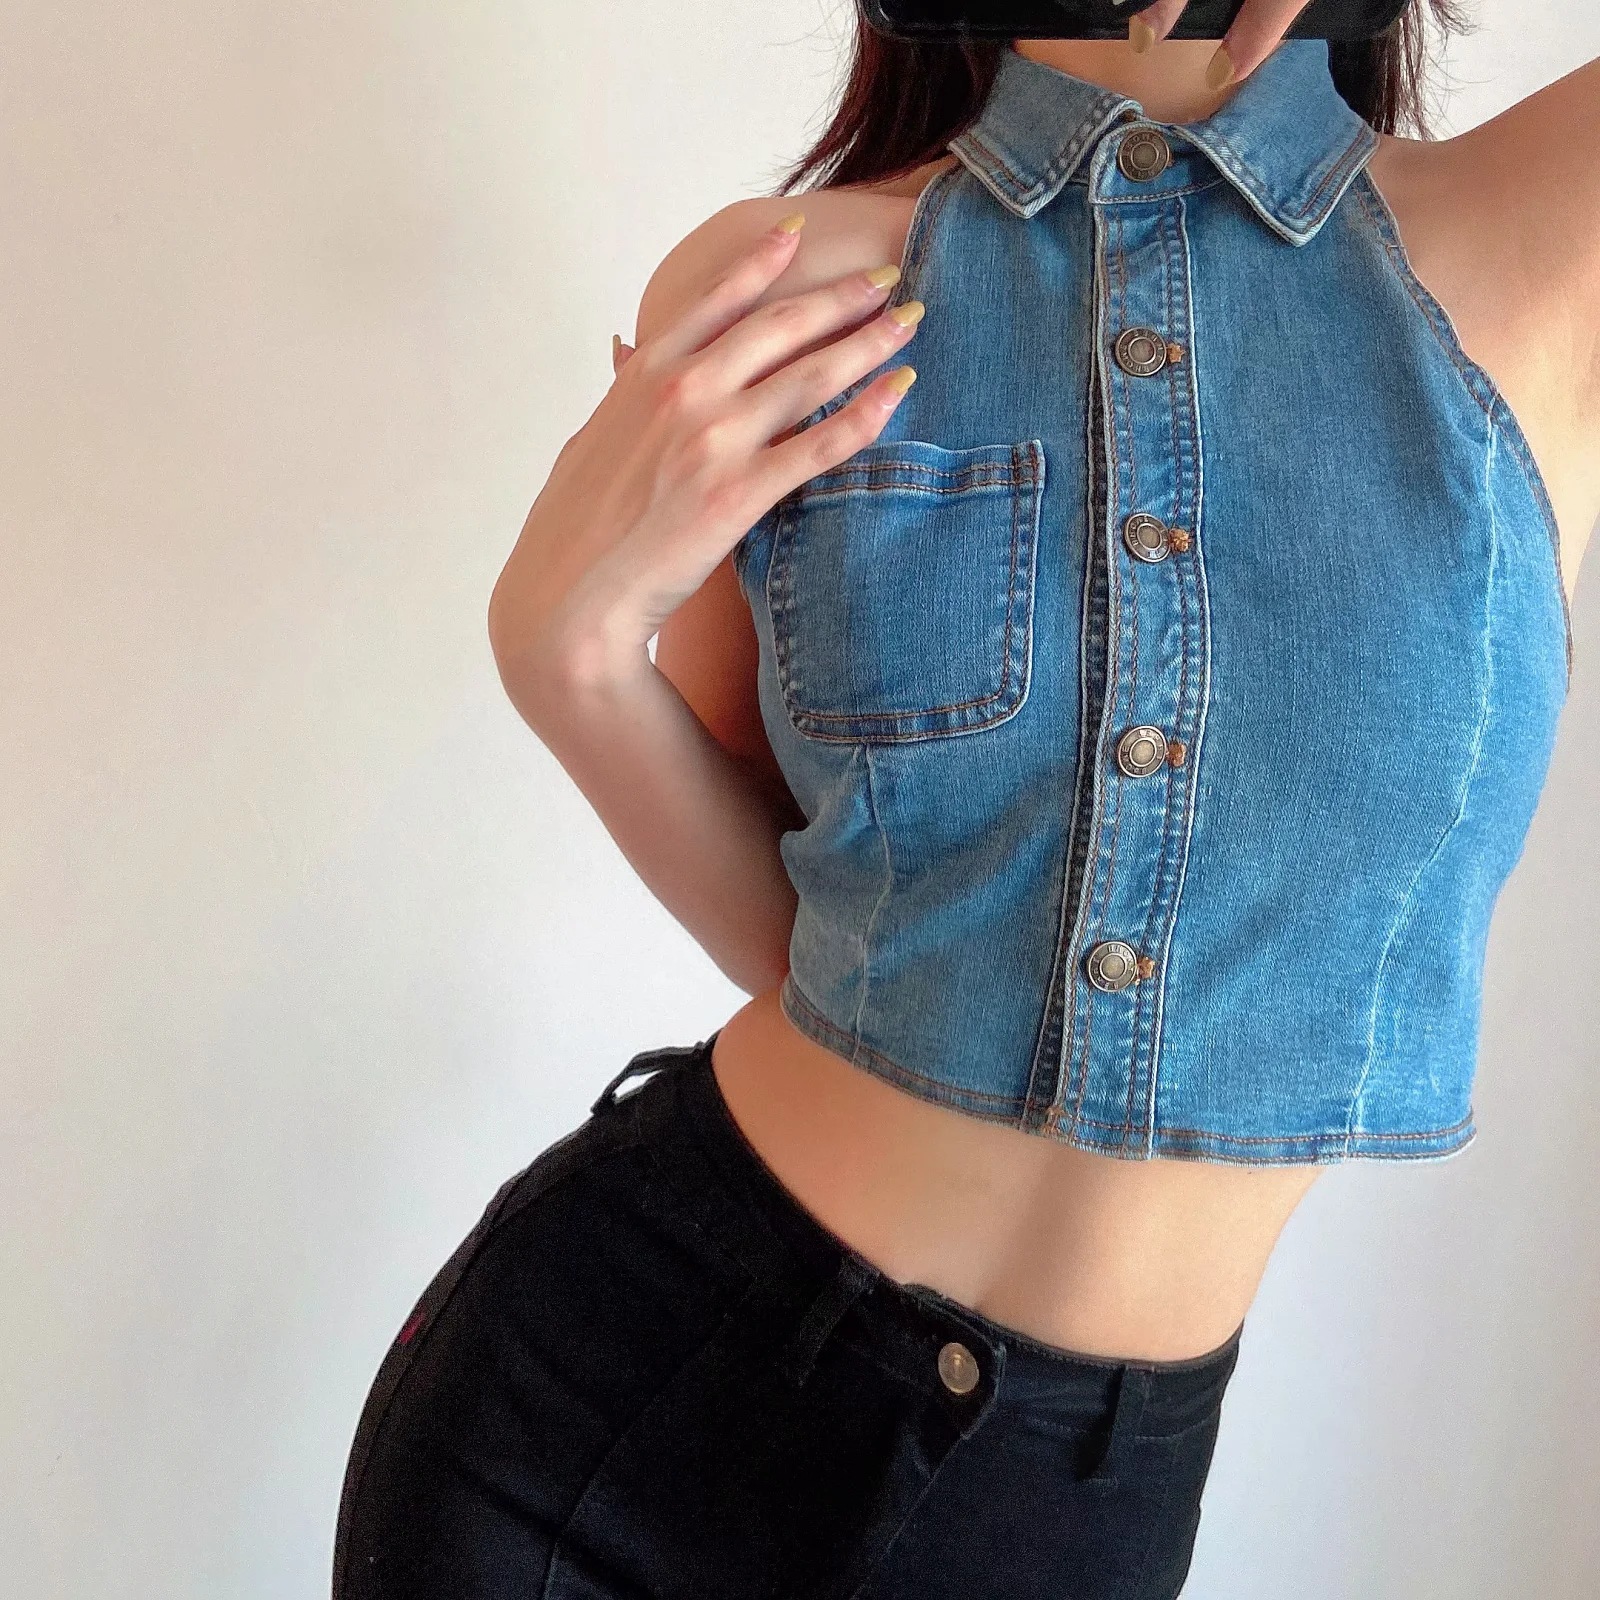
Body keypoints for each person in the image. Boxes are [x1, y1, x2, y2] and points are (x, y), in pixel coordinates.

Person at [334, 2, 1598, 1595]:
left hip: (1061, 1515)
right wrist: (564, 659)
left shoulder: (1539, 239)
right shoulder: (795, 281)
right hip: (604, 1413)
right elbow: (807, 943)